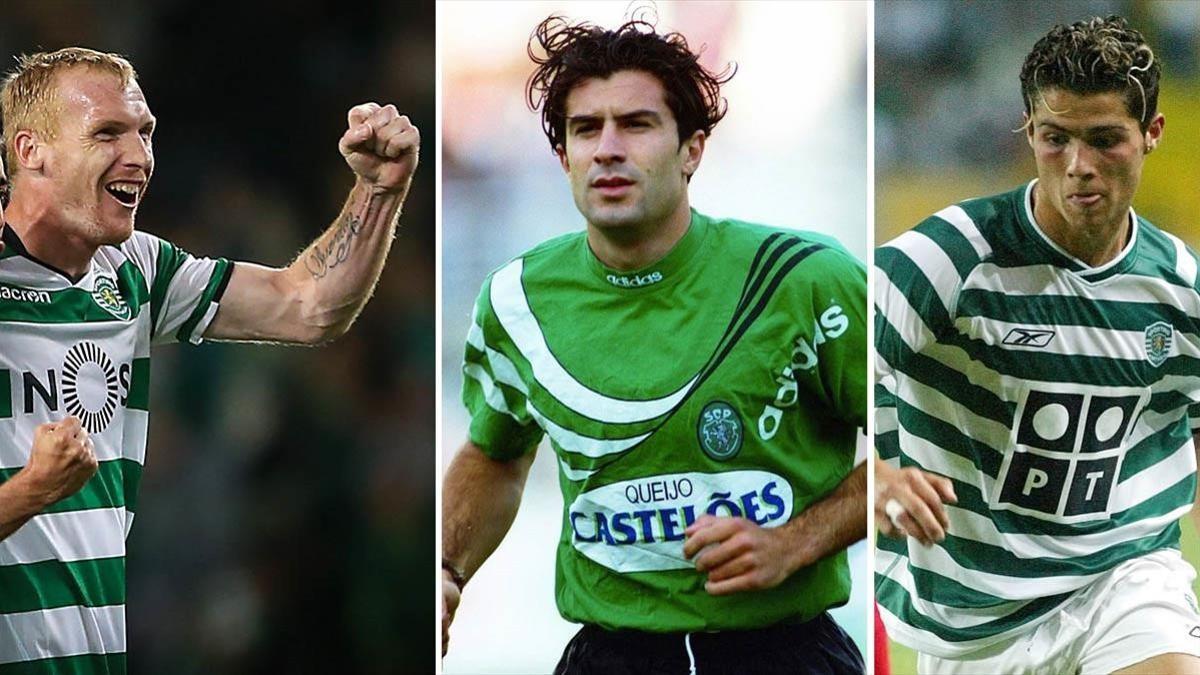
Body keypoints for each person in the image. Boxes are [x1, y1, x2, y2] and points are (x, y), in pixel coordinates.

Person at [442, 16, 867, 674]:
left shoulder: (806, 279)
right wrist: (444, 567)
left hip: (785, 650)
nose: (608, 148)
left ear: (692, 148)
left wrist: (797, 540)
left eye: (636, 125)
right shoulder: (515, 301)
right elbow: (496, 456)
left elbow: (925, 442)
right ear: (564, 157)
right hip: (609, 655)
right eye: (587, 129)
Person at [0, 48, 418, 672]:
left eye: (145, 132)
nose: (138, 157)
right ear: (31, 150)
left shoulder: (135, 268)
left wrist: (378, 191)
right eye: (107, 133)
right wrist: (31, 491)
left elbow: (305, 305)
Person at [875, 15, 1200, 674]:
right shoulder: (947, 261)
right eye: (1055, 139)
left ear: (1151, 134)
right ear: (1029, 132)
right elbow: (829, 363)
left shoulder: (1181, 288)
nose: (1078, 167)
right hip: (975, 619)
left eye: (1105, 139)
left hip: (1124, 576)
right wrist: (877, 478)